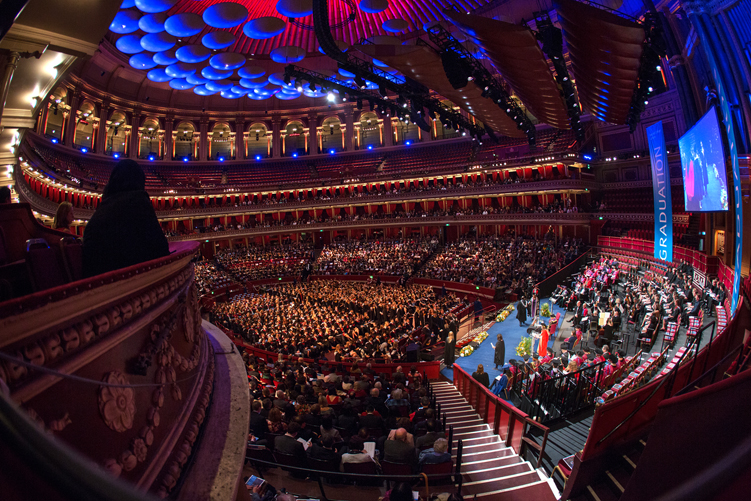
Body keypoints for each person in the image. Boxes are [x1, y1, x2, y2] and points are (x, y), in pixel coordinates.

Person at [82, 159, 169, 277]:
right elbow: (160, 249)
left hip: (96, 282)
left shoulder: (103, 208)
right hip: (127, 283)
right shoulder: (138, 201)